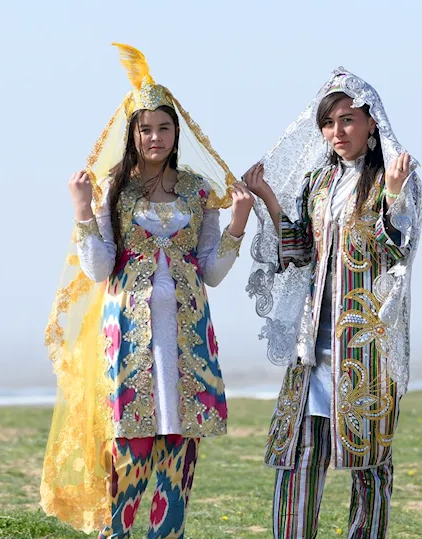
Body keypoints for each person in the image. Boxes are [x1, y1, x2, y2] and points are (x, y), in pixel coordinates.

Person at [40, 43, 254, 539]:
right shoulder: (112, 190)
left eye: (163, 127)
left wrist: (238, 224)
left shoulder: (199, 191)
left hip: (185, 339)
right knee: (127, 451)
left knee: (177, 452)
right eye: (145, 128)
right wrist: (82, 210)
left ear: (177, 132)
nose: (154, 137)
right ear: (131, 134)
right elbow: (97, 270)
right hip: (128, 338)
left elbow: (213, 272)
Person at [242, 68, 422, 539]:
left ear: (370, 122)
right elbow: (300, 252)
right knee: (298, 459)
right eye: (329, 123)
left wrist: (397, 195)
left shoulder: (396, 176)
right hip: (313, 347)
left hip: (367, 348)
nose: (337, 132)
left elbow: (396, 251)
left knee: (370, 466)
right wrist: (267, 198)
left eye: (347, 120)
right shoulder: (318, 182)